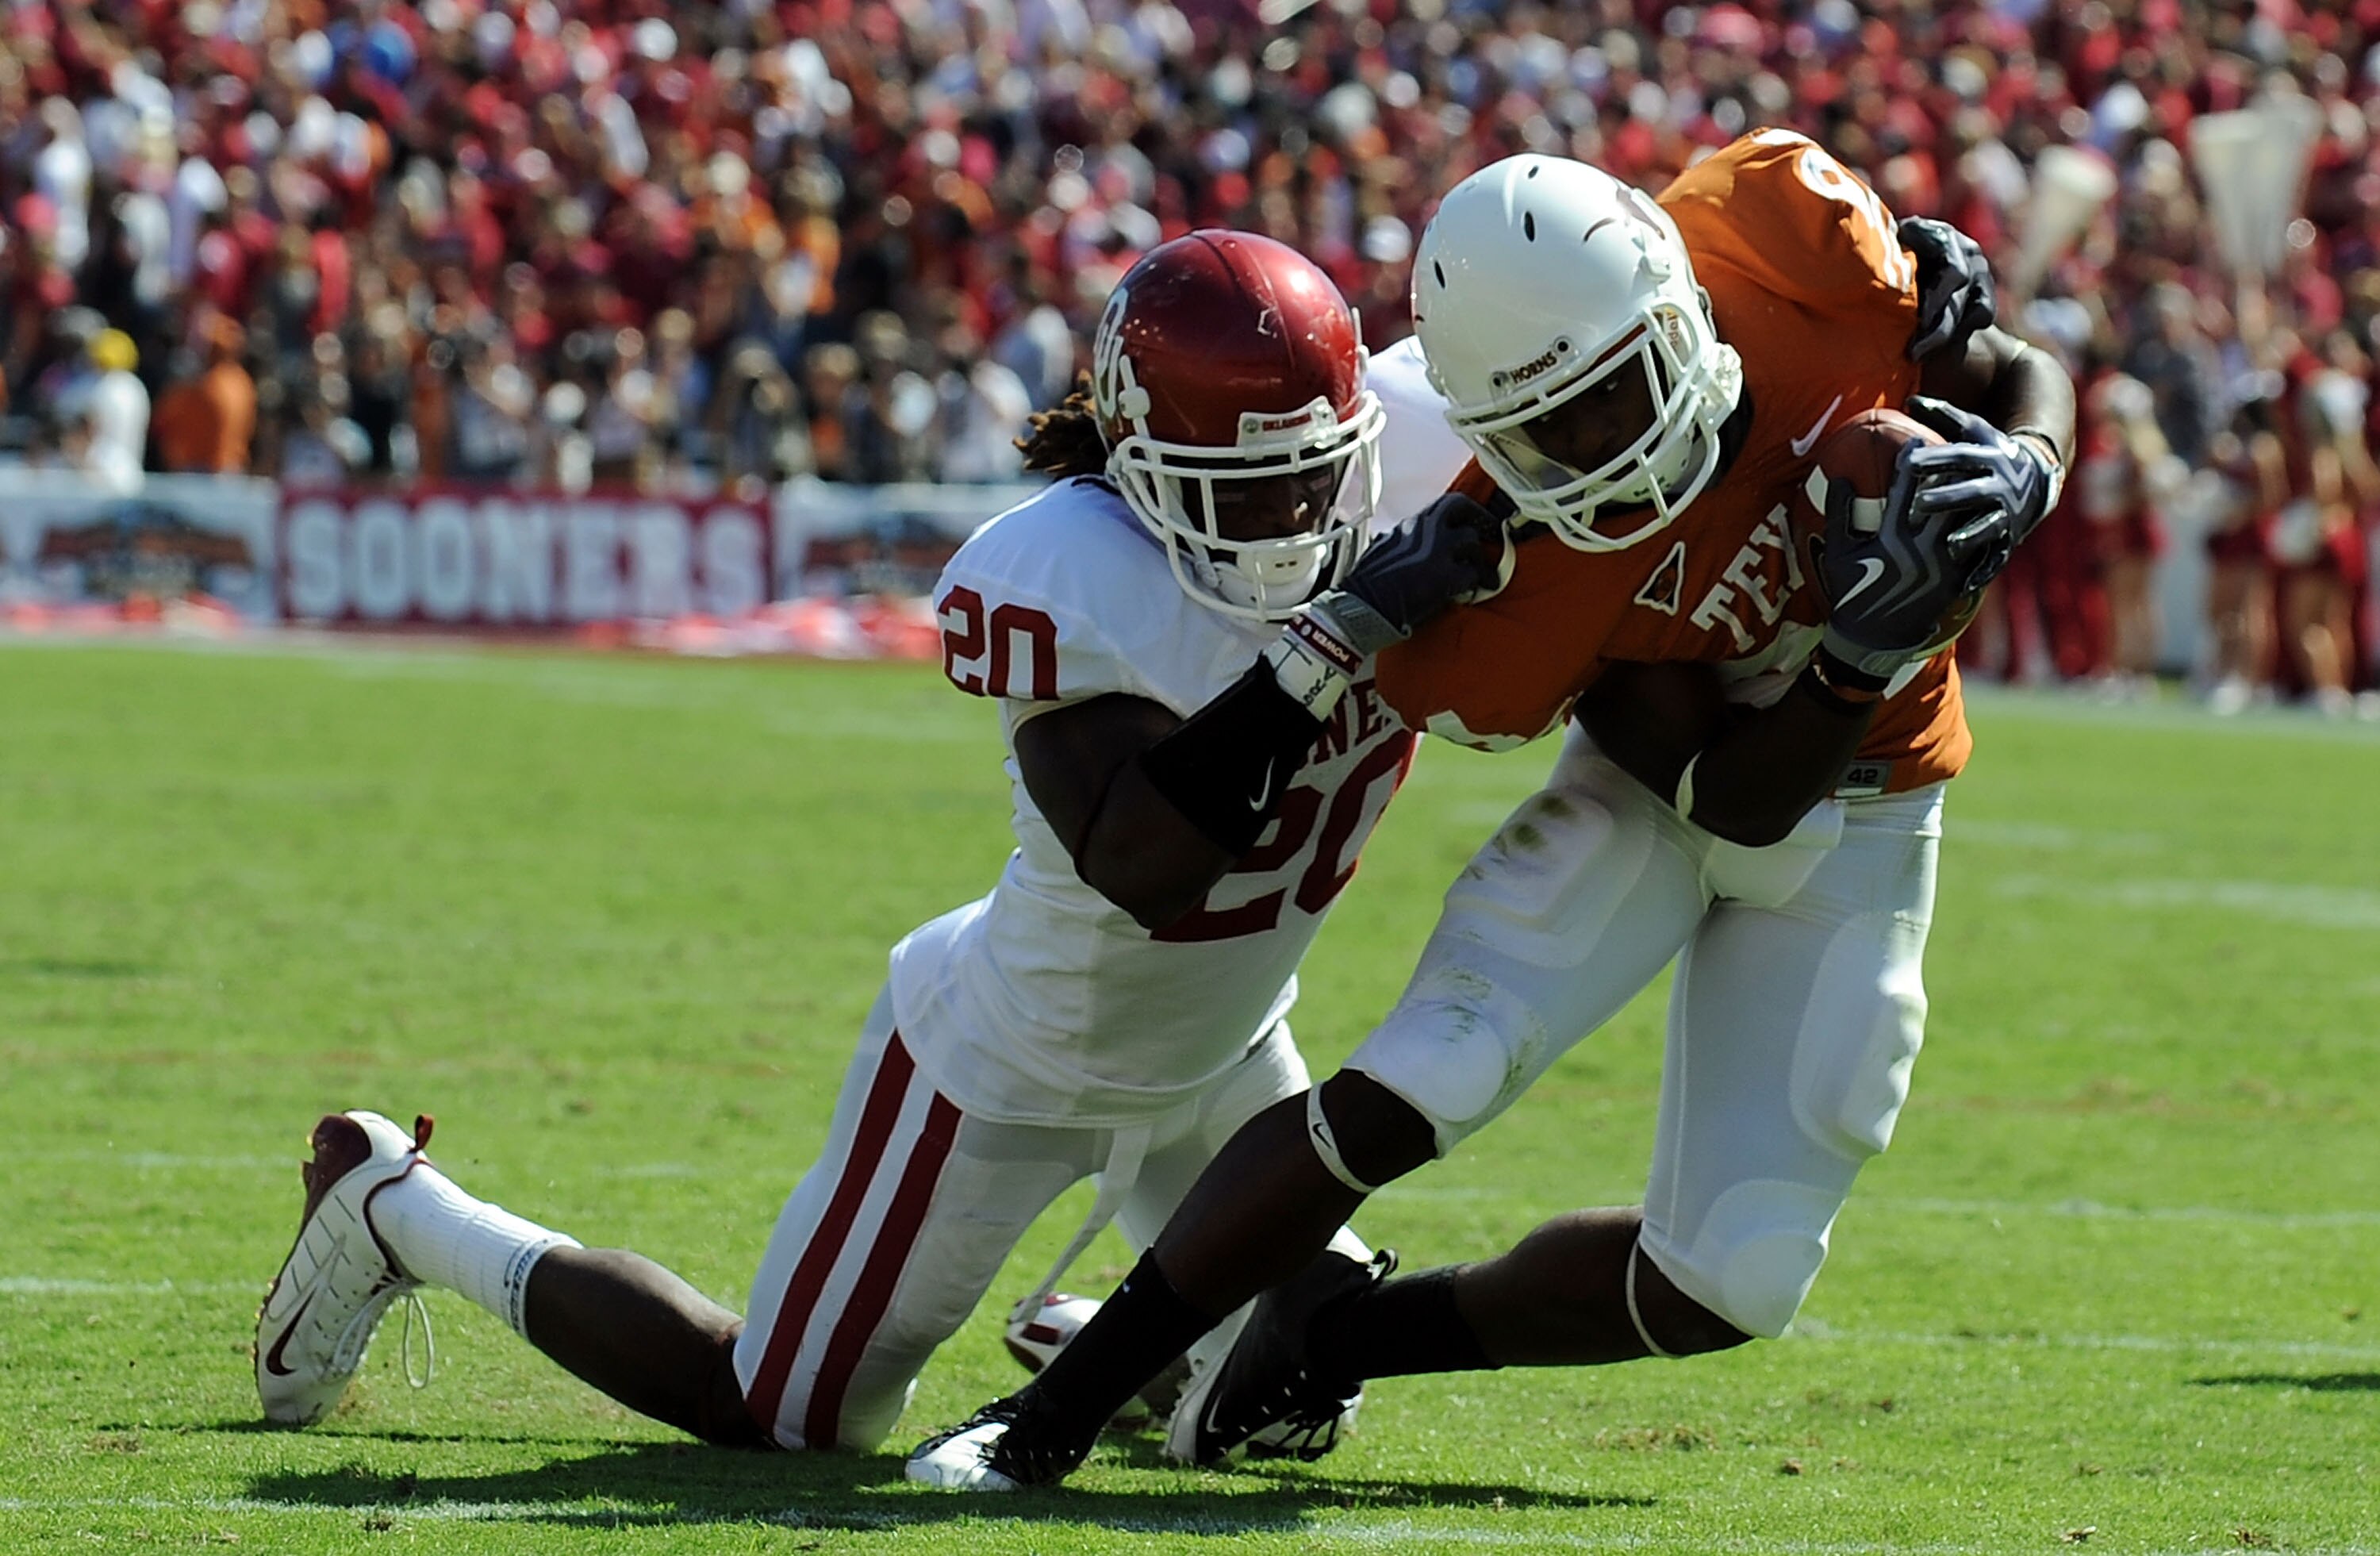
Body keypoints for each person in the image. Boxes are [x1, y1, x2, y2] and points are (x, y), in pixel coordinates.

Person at [905, 130, 2071, 1489]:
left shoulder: (1790, 249)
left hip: (1871, 802)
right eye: (1540, 428)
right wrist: (1856, 649)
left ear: (1679, 313)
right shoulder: (1513, 570)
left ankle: (1328, 1338)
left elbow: (2008, 370)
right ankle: (1051, 1411)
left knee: (1735, 1279)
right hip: (1673, 795)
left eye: (1611, 395)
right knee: (1429, 1072)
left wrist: (2030, 463)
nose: (1594, 452)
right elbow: (1721, 794)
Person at [252, 230, 1503, 1454]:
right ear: (1140, 462)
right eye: (1244, 488)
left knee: (1297, 1403)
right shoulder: (1072, 570)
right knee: (789, 1413)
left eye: (1315, 472)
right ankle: (400, 1212)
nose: (1292, 513)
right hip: (1014, 1061)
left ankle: (1126, 1343)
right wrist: (1336, 637)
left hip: (1227, 1048)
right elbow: (1148, 870)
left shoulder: (1410, 440)